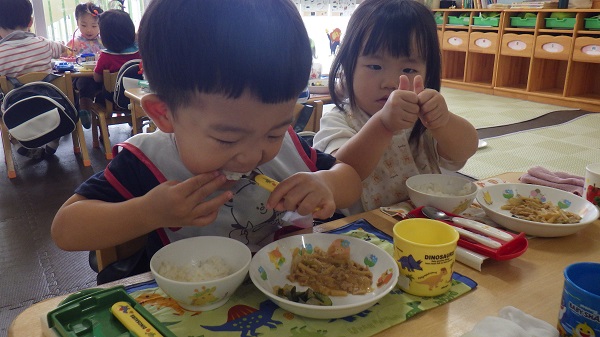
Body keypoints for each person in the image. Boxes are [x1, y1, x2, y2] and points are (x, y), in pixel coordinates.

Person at [51, 0, 362, 266]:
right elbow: (65, 229)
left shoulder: (288, 148)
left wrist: (326, 185)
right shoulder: (147, 162)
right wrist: (149, 212)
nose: (253, 155)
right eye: (227, 139)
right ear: (164, 114)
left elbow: (350, 180)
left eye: (274, 132)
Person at [313, 0, 478, 214]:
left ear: (428, 74)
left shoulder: (422, 119)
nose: (391, 82)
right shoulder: (339, 119)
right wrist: (383, 125)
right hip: (365, 231)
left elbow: (464, 151)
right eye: (375, 66)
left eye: (408, 69)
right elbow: (343, 171)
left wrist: (444, 122)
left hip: (425, 225)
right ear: (348, 66)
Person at [0, 0, 69, 158]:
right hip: (50, 106)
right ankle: (54, 140)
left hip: (16, 112)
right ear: (31, 22)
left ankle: (16, 140)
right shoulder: (44, 44)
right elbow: (63, 50)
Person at [68, 2, 104, 129]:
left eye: (94, 26)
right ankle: (85, 111)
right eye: (83, 25)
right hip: (81, 77)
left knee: (105, 89)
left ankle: (103, 127)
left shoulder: (103, 41)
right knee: (85, 84)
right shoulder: (75, 42)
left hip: (100, 77)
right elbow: (67, 60)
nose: (89, 30)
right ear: (77, 23)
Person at [92, 9, 140, 84]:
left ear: (105, 36)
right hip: (137, 93)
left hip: (112, 94)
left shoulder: (105, 56)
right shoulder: (139, 52)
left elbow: (97, 78)